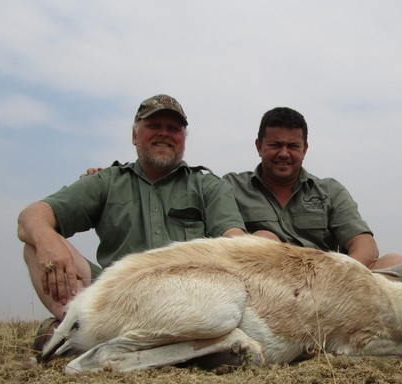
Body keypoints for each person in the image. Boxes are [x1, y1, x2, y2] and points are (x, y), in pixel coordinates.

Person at [18, 94, 246, 347]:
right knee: (34, 245)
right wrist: (48, 240)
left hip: (189, 301)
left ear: (183, 139)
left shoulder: (208, 186)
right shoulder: (107, 181)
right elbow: (31, 216)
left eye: (173, 128)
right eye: (154, 126)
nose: (164, 134)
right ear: (135, 136)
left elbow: (233, 240)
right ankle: (81, 330)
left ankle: (84, 341)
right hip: (117, 298)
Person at [224, 107, 402, 269]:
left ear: (305, 149)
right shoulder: (230, 187)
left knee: (395, 262)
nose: (284, 153)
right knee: (263, 240)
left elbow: (364, 244)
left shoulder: (330, 191)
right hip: (264, 283)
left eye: (293, 146)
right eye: (276, 145)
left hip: (327, 282)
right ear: (259, 146)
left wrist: (339, 276)